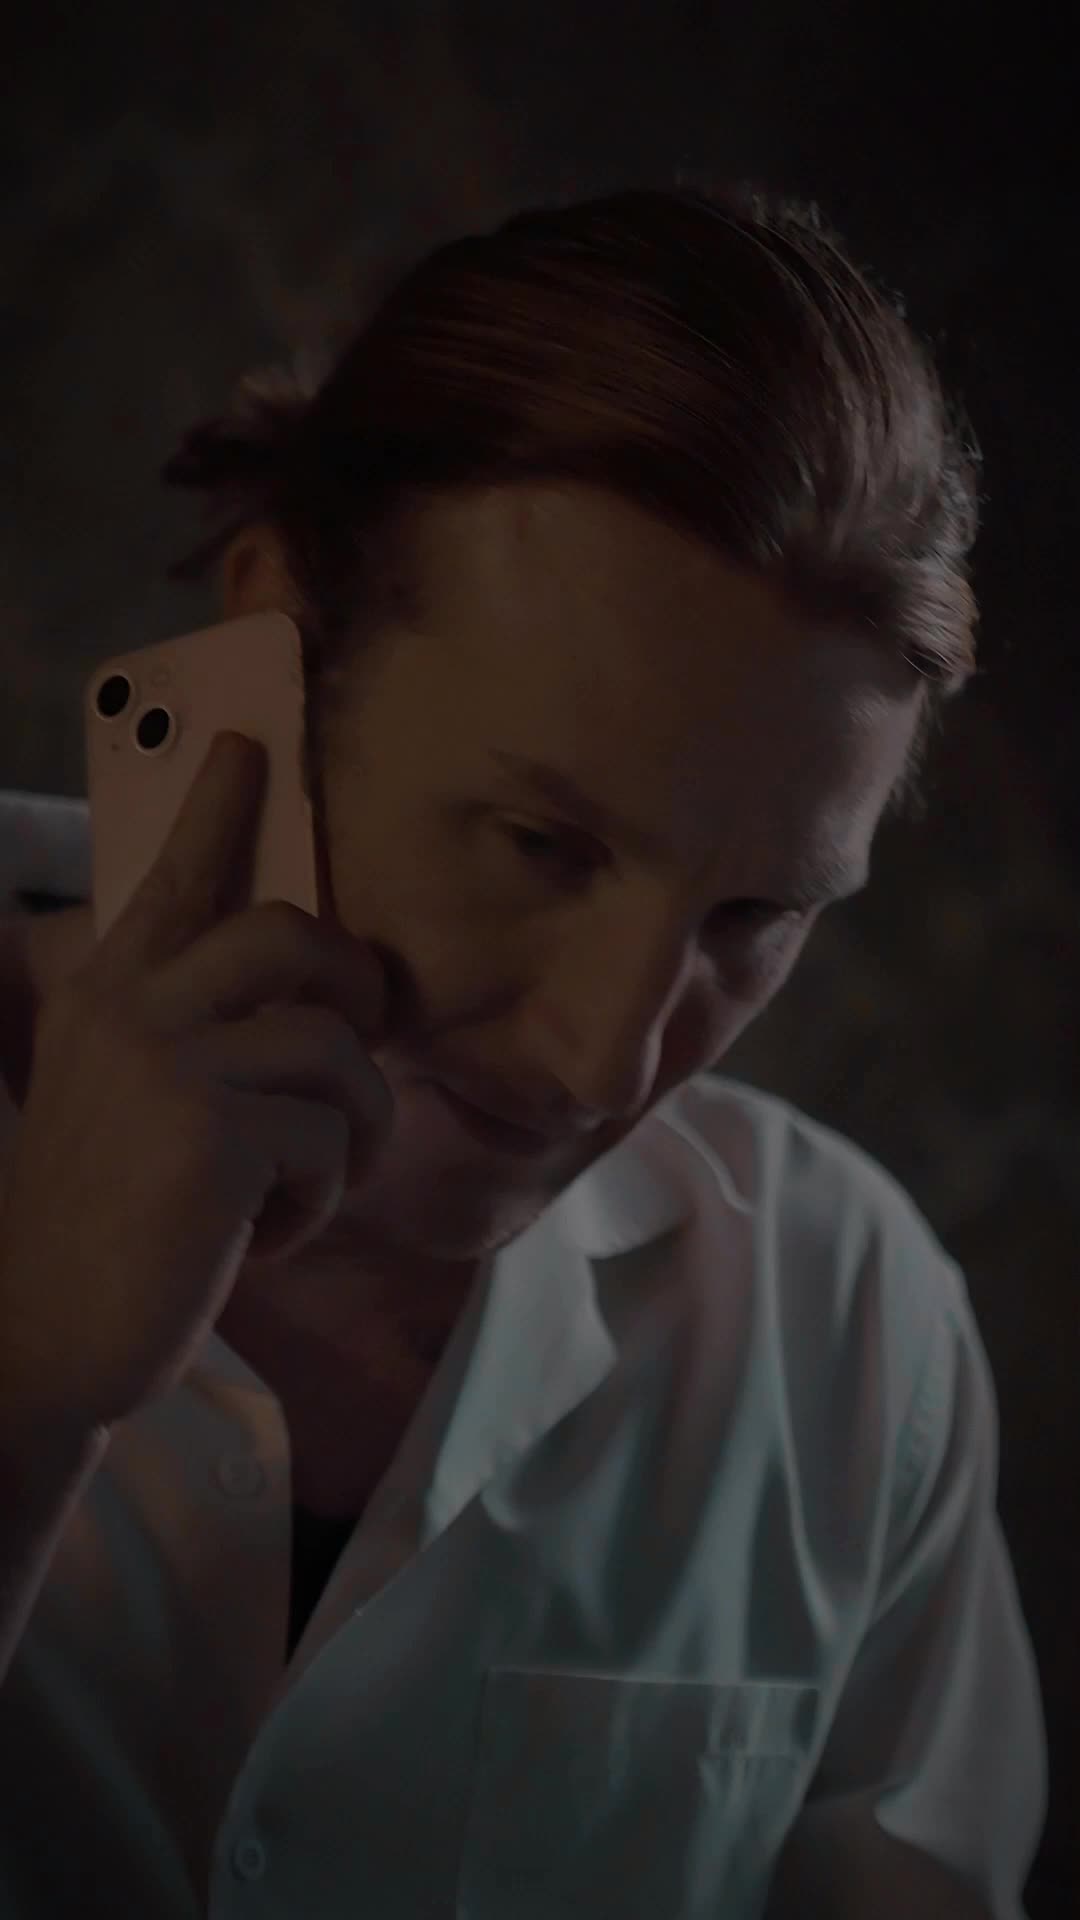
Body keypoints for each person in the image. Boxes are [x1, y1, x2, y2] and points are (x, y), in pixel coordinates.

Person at [0, 180, 1046, 1918]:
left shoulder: (853, 1332)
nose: (604, 1061)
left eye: (753, 917)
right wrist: (28, 1400)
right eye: (540, 844)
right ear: (273, 635)